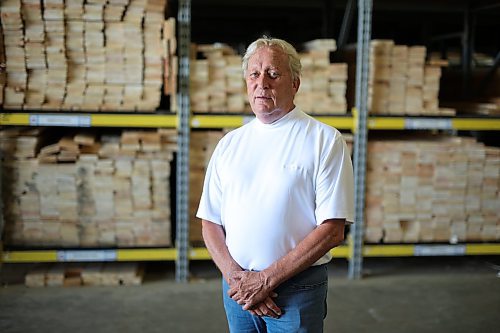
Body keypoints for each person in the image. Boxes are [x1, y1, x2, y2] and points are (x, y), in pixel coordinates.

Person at [196, 36, 354, 332]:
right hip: (238, 290)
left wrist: (266, 280)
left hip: (296, 291)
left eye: (273, 73)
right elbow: (210, 222)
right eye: (254, 74)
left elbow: (332, 230)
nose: (262, 83)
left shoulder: (323, 140)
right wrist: (238, 281)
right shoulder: (230, 143)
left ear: (294, 83)